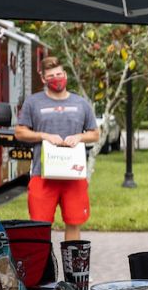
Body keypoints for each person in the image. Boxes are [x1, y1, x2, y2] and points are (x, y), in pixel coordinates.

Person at [14, 56, 100, 242]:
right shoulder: (33, 102)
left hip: (73, 175)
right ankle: (45, 270)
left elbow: (95, 134)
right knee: (39, 227)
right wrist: (43, 135)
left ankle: (73, 269)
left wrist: (79, 137)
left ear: (66, 75)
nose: (56, 78)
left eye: (59, 74)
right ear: (44, 79)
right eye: (51, 76)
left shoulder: (80, 103)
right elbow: (20, 132)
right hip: (42, 174)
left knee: (74, 222)